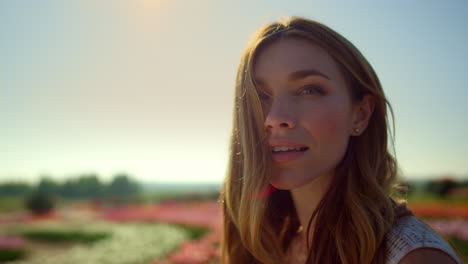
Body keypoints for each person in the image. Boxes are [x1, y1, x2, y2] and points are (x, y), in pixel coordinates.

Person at [220, 17, 462, 264]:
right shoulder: (271, 249)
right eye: (259, 95)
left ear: (361, 114)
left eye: (308, 90)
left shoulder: (414, 257)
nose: (275, 117)